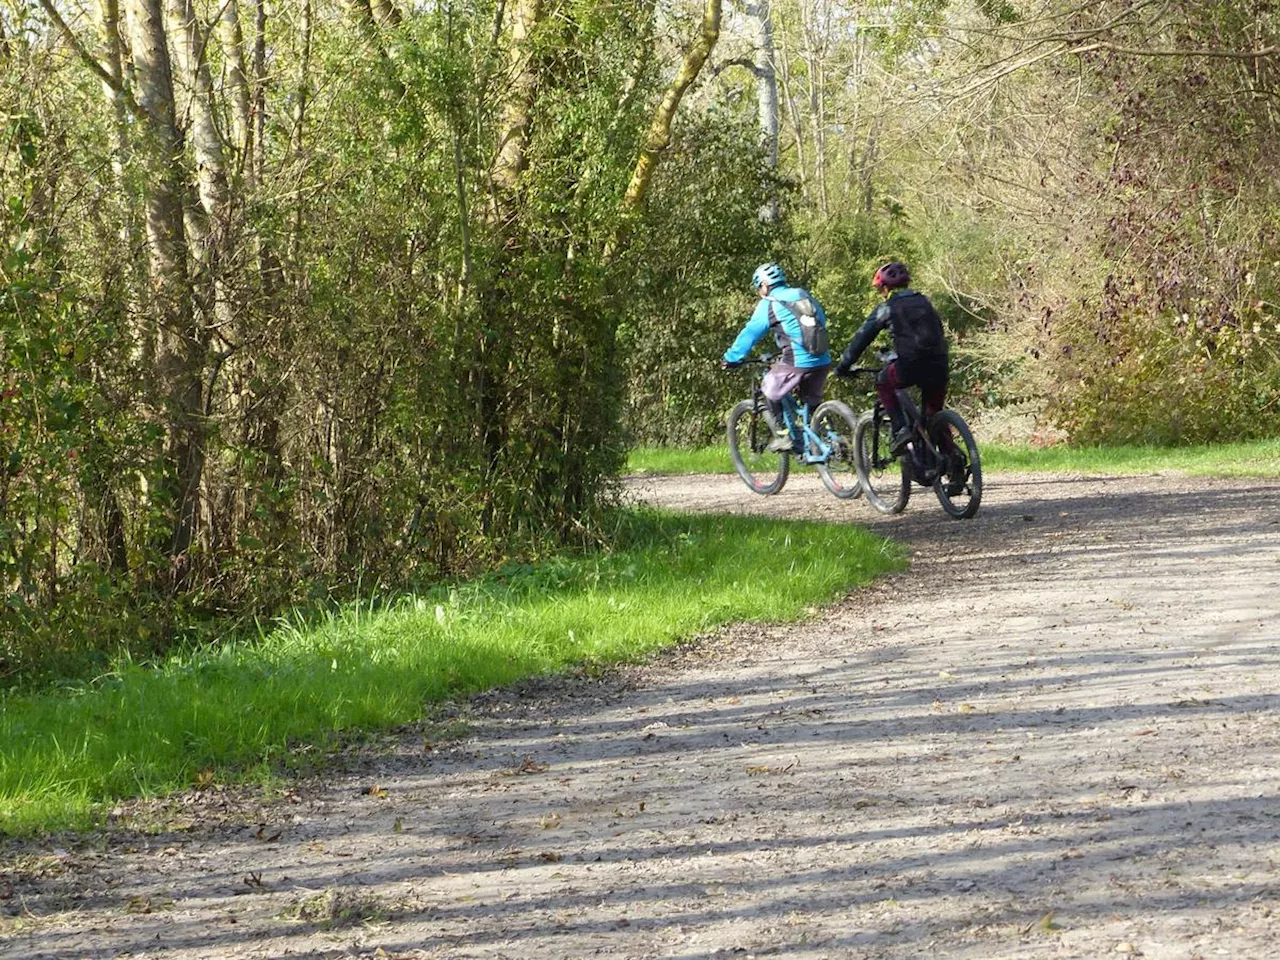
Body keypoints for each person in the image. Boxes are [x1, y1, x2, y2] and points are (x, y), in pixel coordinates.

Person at [834, 261, 949, 454]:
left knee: (883, 381)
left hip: (910, 366)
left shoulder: (887, 307)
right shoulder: (924, 301)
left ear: (885, 288)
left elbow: (862, 337)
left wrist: (843, 366)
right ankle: (953, 461)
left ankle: (901, 429)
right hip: (940, 363)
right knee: (933, 414)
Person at [722, 263, 832, 452]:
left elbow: (751, 333)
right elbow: (820, 320)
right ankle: (828, 439)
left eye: (759, 287)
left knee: (769, 387)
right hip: (822, 359)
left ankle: (783, 436)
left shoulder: (769, 303)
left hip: (798, 363)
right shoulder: (802, 294)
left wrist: (732, 357)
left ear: (765, 285)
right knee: (810, 403)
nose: (759, 291)